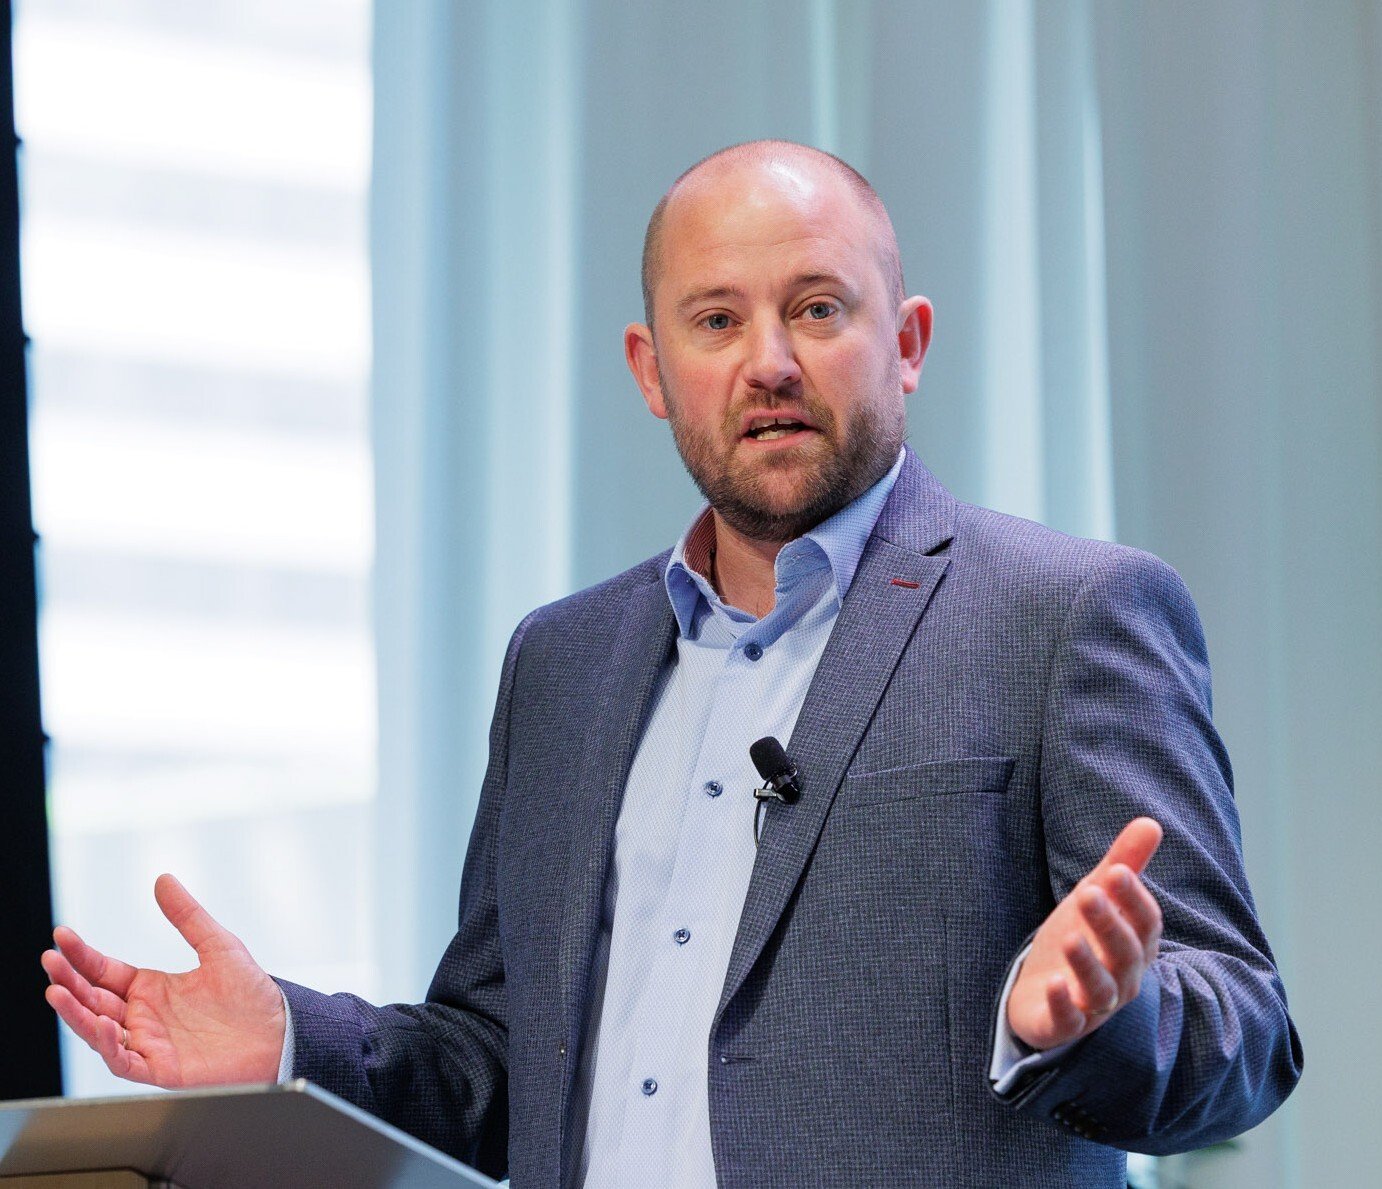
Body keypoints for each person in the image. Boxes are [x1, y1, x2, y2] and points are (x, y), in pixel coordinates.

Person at [42, 141, 1302, 1187]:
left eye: (818, 308)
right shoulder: (560, 663)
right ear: (652, 370)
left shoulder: (1064, 614)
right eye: (715, 319)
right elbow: (499, 1064)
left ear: (906, 341)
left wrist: (1099, 1018)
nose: (769, 361)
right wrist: (288, 1043)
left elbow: (1245, 1026)